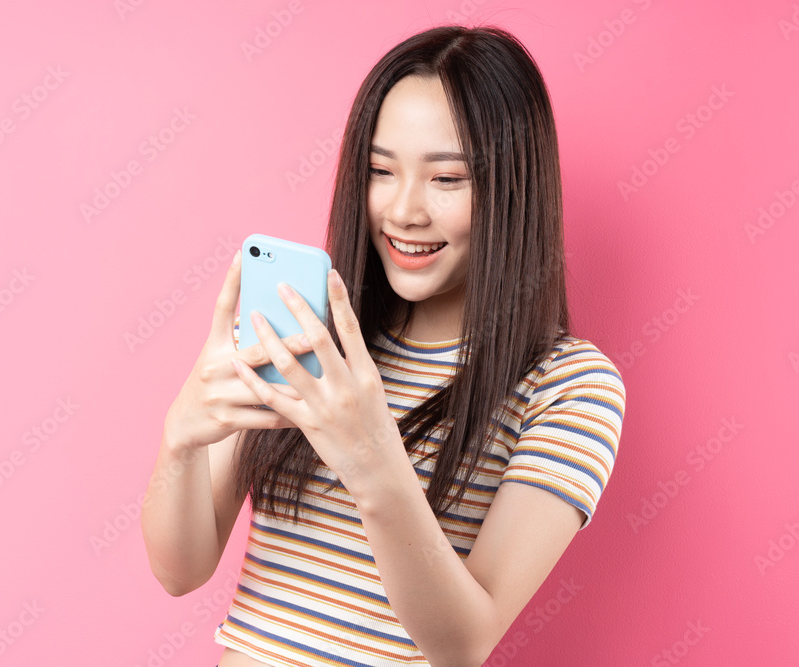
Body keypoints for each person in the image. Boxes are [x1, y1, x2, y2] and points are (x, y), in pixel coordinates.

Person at [141, 24, 626, 667]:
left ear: (514, 189)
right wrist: (181, 440)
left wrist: (373, 461)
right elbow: (181, 571)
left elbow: (463, 643)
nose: (403, 210)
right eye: (379, 169)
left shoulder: (568, 385)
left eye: (446, 178)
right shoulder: (307, 332)